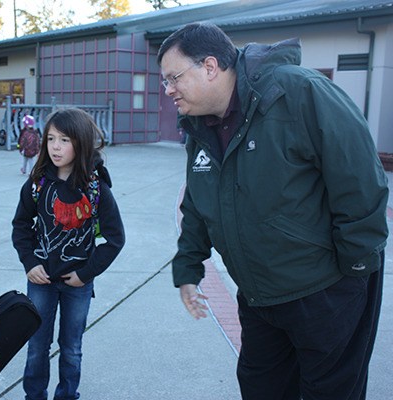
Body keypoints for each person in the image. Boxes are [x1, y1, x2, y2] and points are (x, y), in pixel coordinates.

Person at [157, 22, 388, 400]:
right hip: (259, 298)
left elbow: (360, 179)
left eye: (173, 78)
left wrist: (354, 271)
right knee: (261, 387)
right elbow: (198, 205)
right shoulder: (199, 128)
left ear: (210, 66)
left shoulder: (300, 92)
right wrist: (187, 269)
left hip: (326, 291)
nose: (168, 91)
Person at [12, 108, 125, 400]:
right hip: (41, 280)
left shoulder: (96, 188)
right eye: (50, 138)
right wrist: (30, 262)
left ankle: (67, 394)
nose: (55, 147)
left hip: (78, 284)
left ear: (81, 142)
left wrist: (86, 273)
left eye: (64, 140)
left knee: (72, 347)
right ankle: (34, 395)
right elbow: (21, 226)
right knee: (37, 345)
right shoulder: (37, 184)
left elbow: (115, 239)